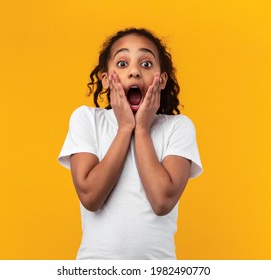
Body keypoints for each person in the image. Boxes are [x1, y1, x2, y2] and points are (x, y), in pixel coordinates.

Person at [58, 28, 202, 259]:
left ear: (162, 79)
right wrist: (126, 127)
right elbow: (90, 197)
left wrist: (142, 129)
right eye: (123, 64)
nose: (134, 71)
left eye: (146, 64)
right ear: (105, 78)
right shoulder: (87, 119)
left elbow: (162, 201)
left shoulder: (178, 127)